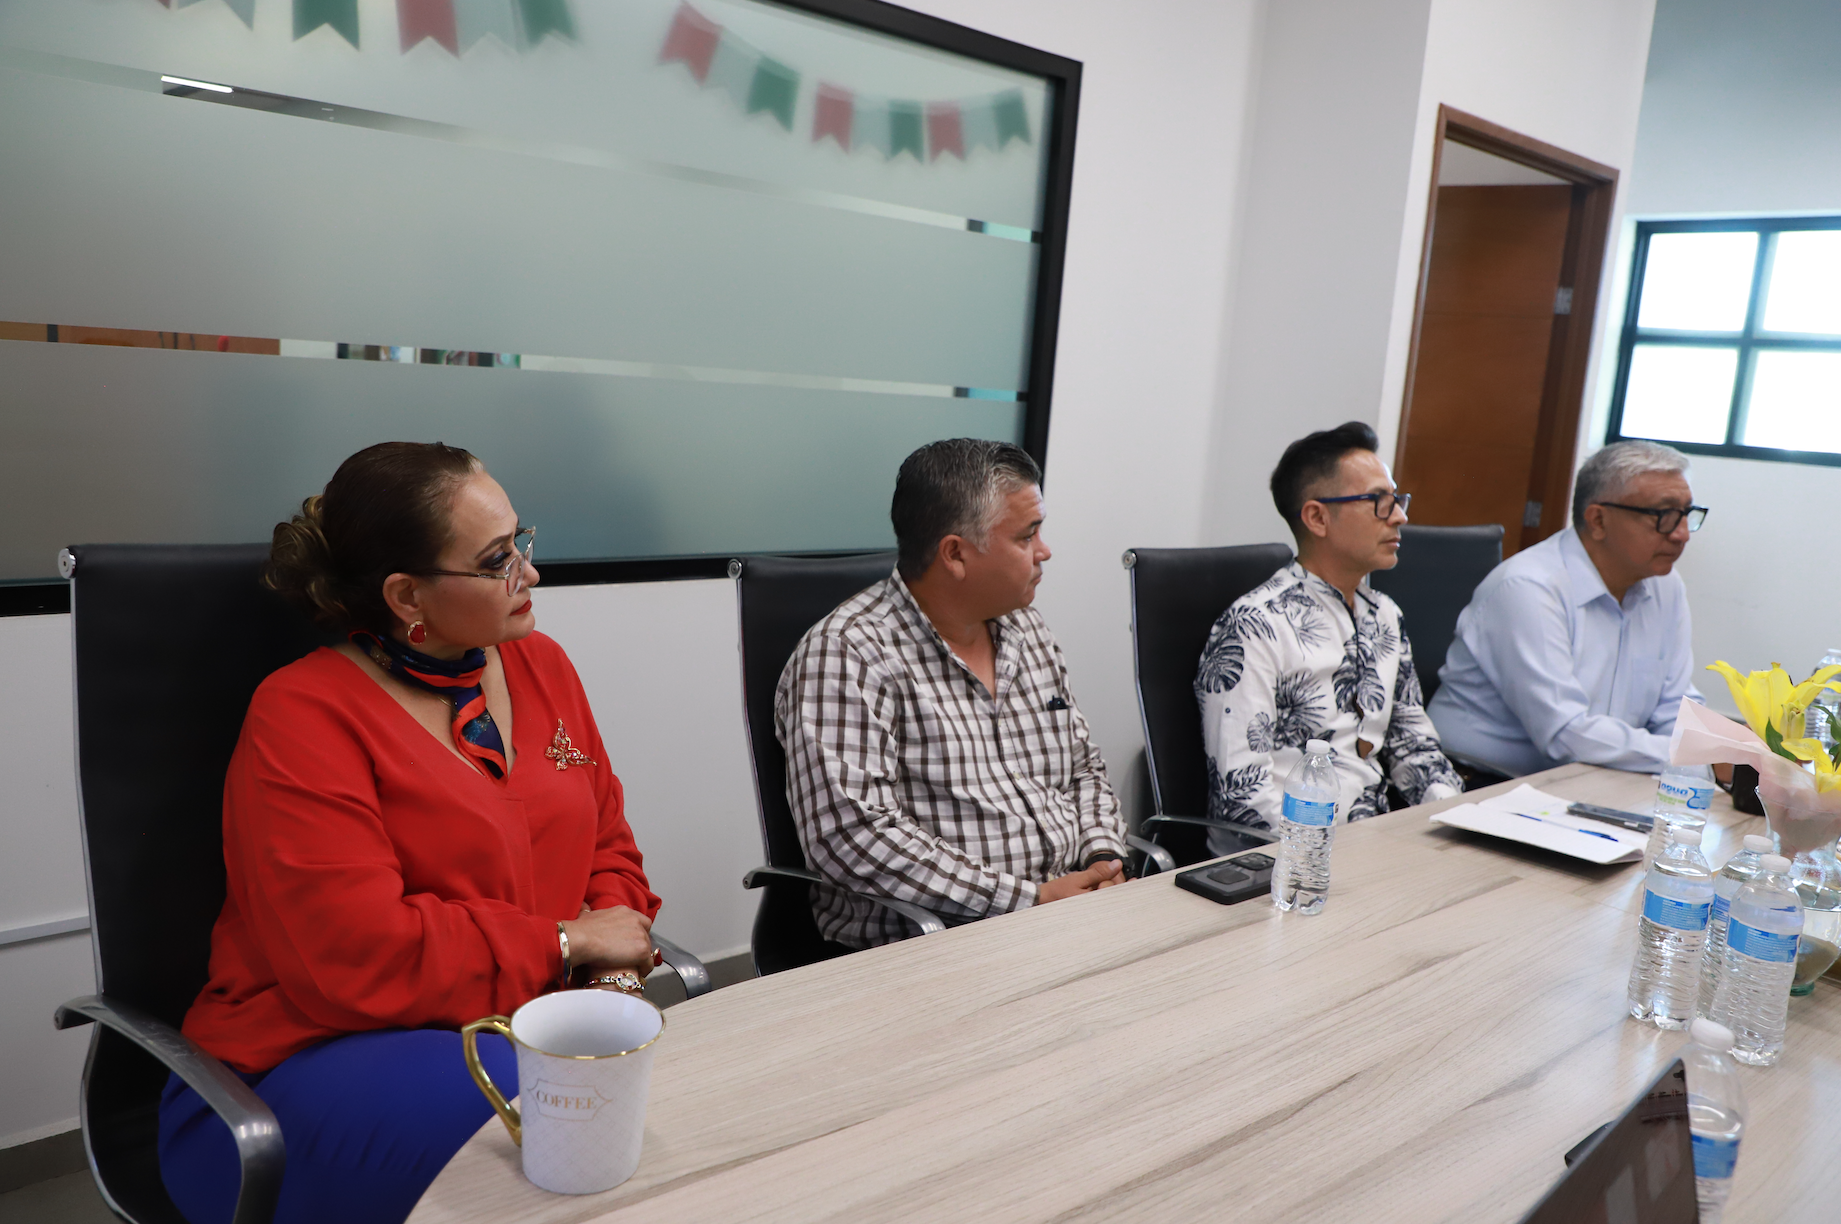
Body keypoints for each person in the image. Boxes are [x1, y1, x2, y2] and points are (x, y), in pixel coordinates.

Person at [158, 442, 661, 1224]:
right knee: (563, 1130)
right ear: (406, 594)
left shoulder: (543, 666)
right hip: (304, 1063)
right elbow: (357, 953)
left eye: (521, 542)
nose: (529, 575)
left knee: (636, 1118)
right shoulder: (302, 715)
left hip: (522, 1031)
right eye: (497, 561)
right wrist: (566, 943)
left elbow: (608, 847)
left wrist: (610, 976)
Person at [776, 438, 1128, 949]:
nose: (1044, 551)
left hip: (1068, 916)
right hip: (940, 942)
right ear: (956, 554)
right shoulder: (847, 653)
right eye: (1027, 535)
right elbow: (853, 837)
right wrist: (1028, 898)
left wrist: (1102, 859)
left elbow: (1083, 770)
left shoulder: (1027, 629)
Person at [1195, 422, 1461, 849]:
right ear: (1318, 517)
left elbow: (1414, 745)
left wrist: (1453, 821)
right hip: (1283, 861)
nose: (1400, 516)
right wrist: (1339, 856)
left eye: (1397, 500)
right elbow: (1242, 798)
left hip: (1376, 846)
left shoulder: (1385, 615)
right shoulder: (1254, 625)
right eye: (1379, 502)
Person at [1428, 439, 1706, 776]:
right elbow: (1565, 734)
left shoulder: (1665, 585)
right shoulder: (1528, 588)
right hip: (1481, 782)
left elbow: (1674, 708)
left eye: (1687, 514)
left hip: (1598, 773)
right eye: (1664, 516)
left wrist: (1707, 753)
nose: (1681, 534)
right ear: (1598, 520)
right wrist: (1690, 757)